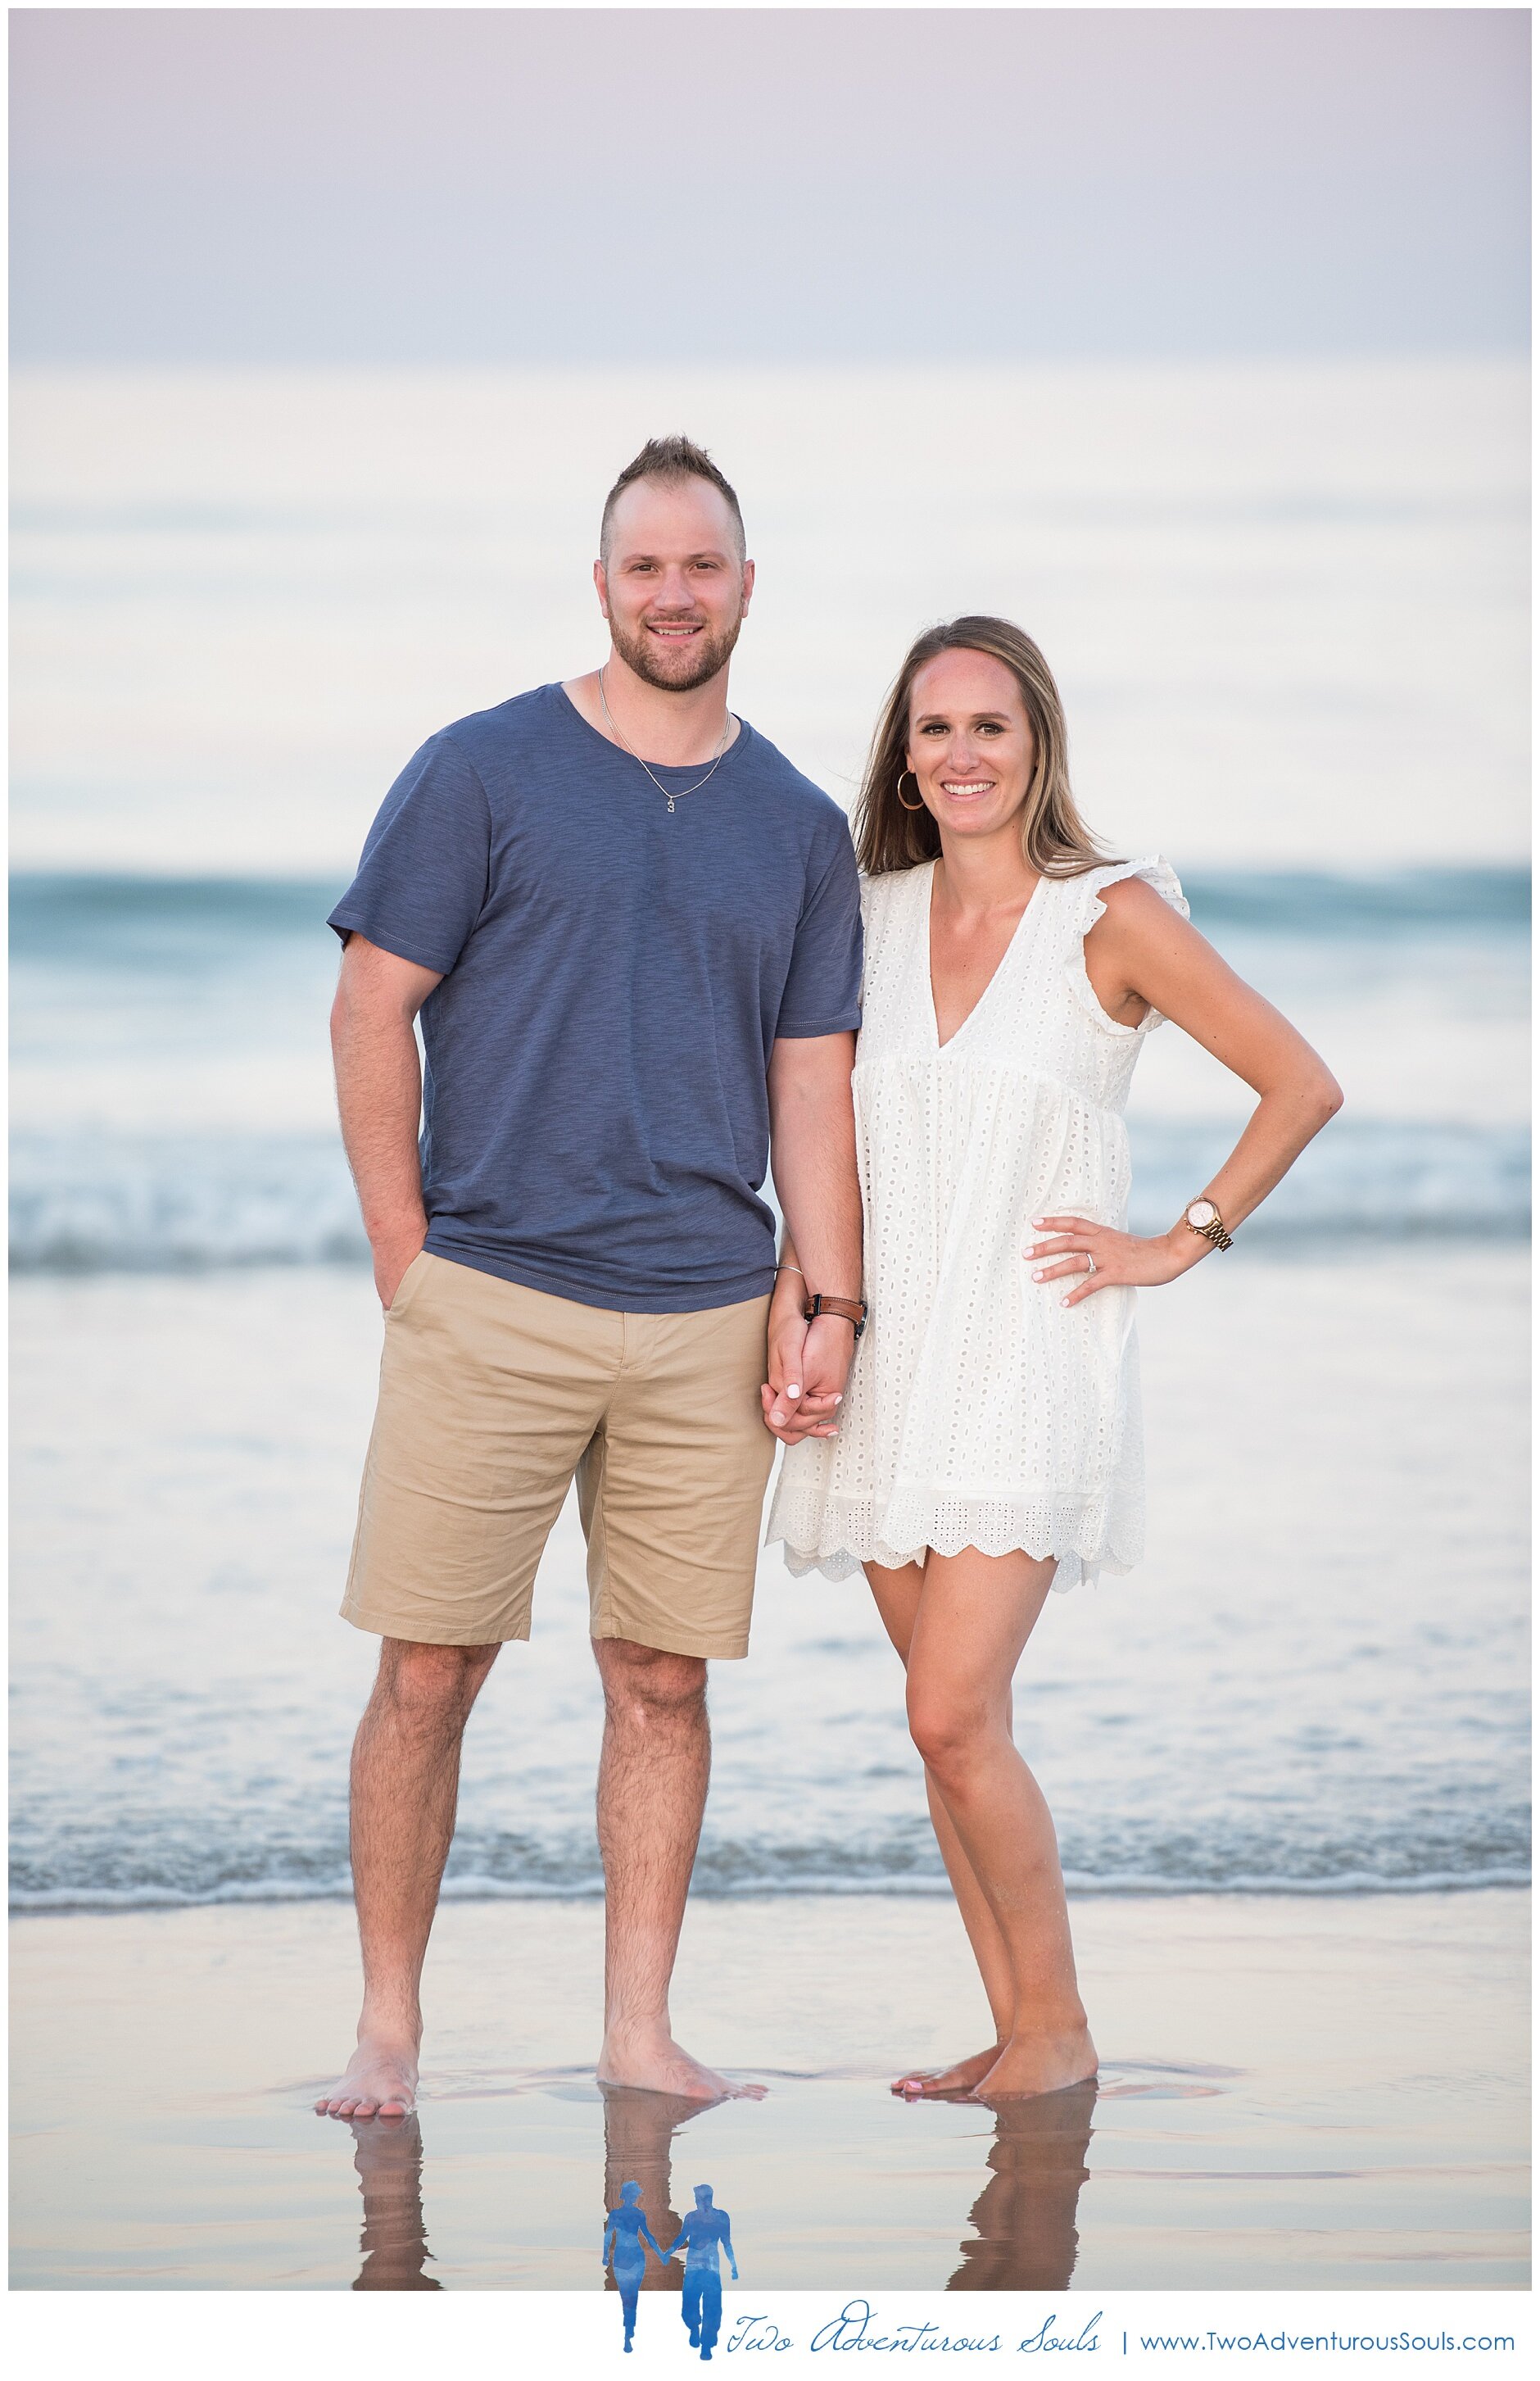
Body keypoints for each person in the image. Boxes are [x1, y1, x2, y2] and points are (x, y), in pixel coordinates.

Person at [314, 437, 864, 2121]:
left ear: (747, 588)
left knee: (663, 1677)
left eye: (704, 566)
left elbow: (810, 1079)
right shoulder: (479, 770)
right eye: (646, 566)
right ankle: (389, 2031)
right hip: (492, 1293)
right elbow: (367, 1007)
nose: (675, 593)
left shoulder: (796, 824)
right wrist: (409, 1259)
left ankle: (638, 2031)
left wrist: (823, 1296)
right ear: (604, 582)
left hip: (707, 1306)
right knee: (428, 1667)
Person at [765, 616, 1342, 2102]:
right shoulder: (867, 914)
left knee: (949, 1713)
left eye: (991, 728)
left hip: (1027, 1354)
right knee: (957, 1735)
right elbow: (827, 1143)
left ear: (1039, 749)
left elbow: (1300, 1081)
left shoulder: (1112, 914)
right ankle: (1022, 2032)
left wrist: (1180, 1238)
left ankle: (1062, 2032)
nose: (961, 754)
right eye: (935, 727)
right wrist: (804, 1305)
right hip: (886, 1364)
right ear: (904, 750)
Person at [664, 2184, 738, 2360]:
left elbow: (727, 2243)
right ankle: (695, 2328)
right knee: (691, 2305)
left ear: (706, 2199)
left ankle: (706, 2345)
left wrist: (734, 2265)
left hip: (710, 2268)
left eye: (699, 2198)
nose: (698, 2201)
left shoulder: (721, 2217)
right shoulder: (691, 2218)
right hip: (695, 2267)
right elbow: (682, 2238)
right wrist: (669, 2251)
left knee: (712, 2308)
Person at [603, 2179, 668, 2352]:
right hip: (634, 2256)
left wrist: (605, 2256)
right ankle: (629, 2331)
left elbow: (609, 2236)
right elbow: (648, 2237)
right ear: (632, 2196)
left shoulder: (616, 2214)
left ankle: (628, 2331)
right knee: (632, 2296)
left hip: (623, 2256)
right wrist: (660, 2254)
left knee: (626, 2296)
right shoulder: (638, 2214)